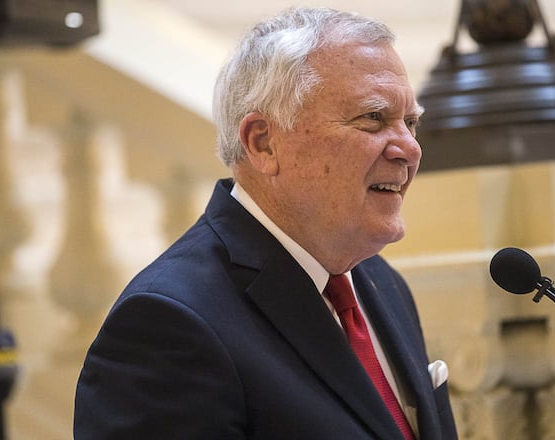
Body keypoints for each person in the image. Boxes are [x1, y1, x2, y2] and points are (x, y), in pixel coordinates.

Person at [74, 7, 458, 440]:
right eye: (373, 118)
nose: (410, 149)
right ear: (263, 143)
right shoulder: (167, 324)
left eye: (410, 122)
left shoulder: (379, 281)